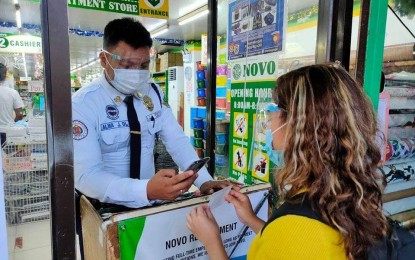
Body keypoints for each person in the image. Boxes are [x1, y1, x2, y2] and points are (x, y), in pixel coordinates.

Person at [187, 63, 388, 259]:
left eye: (272, 113)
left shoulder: (292, 226)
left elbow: (291, 240)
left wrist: (211, 240)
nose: (268, 123)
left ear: (296, 129)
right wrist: (252, 220)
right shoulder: (349, 197)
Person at [72, 17, 229, 209]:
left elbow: (176, 140)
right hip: (103, 210)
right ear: (104, 60)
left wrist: (203, 181)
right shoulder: (83, 104)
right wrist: (144, 190)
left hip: (148, 205)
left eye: (144, 66)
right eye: (127, 65)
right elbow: (86, 176)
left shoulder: (152, 92)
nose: (136, 73)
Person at [0, 63, 24, 146]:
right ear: (6, 75)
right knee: (8, 157)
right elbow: (20, 114)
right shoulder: (13, 93)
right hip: (8, 132)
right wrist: (14, 122)